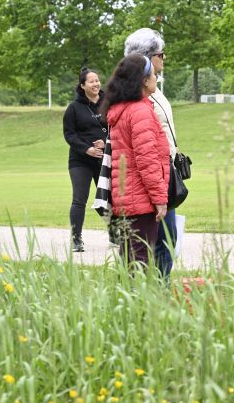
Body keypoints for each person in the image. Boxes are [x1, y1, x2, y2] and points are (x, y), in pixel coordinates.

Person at [100, 53, 170, 269]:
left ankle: (127, 300)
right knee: (139, 263)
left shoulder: (123, 109)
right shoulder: (139, 111)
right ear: (143, 80)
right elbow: (147, 160)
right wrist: (159, 199)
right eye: (153, 74)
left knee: (130, 259)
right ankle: (138, 301)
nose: (156, 77)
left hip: (127, 199)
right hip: (141, 201)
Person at [124, 28, 177, 278]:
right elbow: (146, 152)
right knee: (158, 245)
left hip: (164, 175)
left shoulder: (154, 91)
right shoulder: (140, 100)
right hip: (152, 183)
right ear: (147, 58)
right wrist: (158, 196)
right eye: (161, 54)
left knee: (167, 241)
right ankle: (158, 298)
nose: (164, 59)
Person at [62, 67, 106, 252]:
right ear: (82, 85)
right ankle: (76, 238)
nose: (96, 84)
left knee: (107, 198)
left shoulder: (109, 103)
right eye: (91, 81)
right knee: (80, 199)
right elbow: (69, 135)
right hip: (80, 160)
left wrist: (104, 143)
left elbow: (117, 128)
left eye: (97, 80)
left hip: (103, 158)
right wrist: (87, 149)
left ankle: (116, 233)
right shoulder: (74, 108)